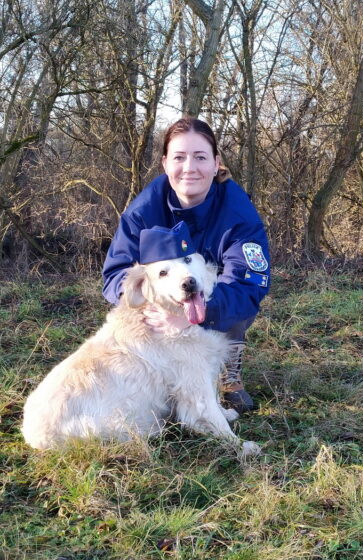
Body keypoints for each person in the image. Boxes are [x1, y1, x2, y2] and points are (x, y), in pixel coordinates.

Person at [102, 117, 270, 413]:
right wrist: (155, 307)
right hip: (159, 305)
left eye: (200, 157)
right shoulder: (141, 213)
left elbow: (248, 285)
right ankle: (155, 379)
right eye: (179, 157)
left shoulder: (239, 215)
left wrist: (195, 314)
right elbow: (116, 275)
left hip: (209, 301)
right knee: (130, 309)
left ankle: (226, 374)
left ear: (217, 163)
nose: (189, 168)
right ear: (165, 163)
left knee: (225, 297)